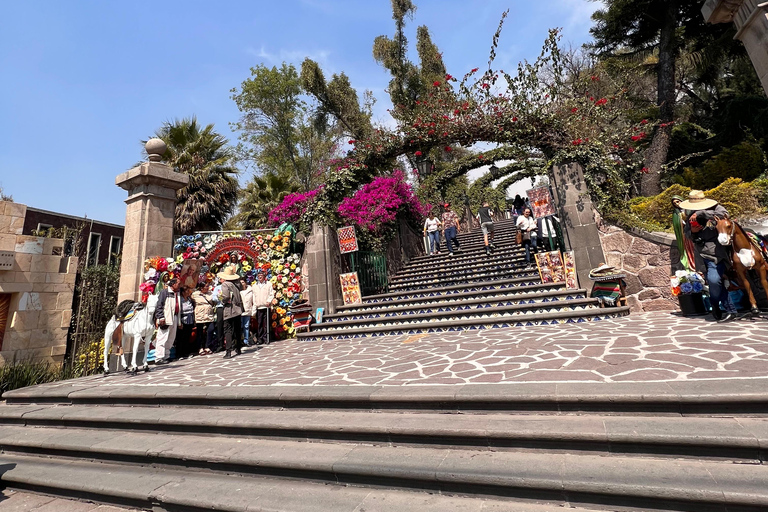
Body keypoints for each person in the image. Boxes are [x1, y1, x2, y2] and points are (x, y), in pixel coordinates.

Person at [681, 190, 737, 321]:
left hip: (715, 253)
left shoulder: (716, 208)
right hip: (700, 255)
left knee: (713, 280)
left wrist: (701, 213)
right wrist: (693, 232)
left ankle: (717, 304)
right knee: (714, 284)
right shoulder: (689, 214)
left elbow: (724, 215)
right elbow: (687, 233)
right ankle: (727, 308)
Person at [218, 264, 245, 358]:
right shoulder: (237, 284)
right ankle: (238, 347)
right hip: (238, 309)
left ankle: (228, 351)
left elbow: (226, 297)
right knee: (237, 329)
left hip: (230, 309)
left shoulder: (225, 284)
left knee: (228, 330)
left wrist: (221, 300)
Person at [153, 277, 180, 365]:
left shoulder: (177, 293)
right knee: (162, 337)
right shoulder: (164, 292)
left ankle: (166, 356)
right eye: (178, 283)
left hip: (174, 317)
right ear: (173, 284)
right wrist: (161, 317)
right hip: (166, 318)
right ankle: (159, 357)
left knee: (171, 337)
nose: (179, 285)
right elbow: (159, 305)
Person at [671, 195, 696, 272]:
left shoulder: (690, 209)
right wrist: (680, 223)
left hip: (694, 233)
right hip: (685, 235)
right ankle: (690, 267)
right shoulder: (676, 213)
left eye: (678, 202)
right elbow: (676, 224)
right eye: (674, 203)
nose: (677, 204)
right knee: (688, 251)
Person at [251, 271, 275, 345]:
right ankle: (260, 338)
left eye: (261, 275)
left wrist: (269, 301)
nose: (260, 277)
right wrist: (255, 305)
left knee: (266, 323)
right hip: (259, 307)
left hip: (266, 306)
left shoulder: (268, 284)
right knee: (260, 323)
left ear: (264, 276)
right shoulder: (254, 286)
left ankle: (266, 338)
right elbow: (254, 296)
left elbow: (271, 294)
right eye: (259, 276)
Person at [192, 282, 216, 355]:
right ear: (201, 287)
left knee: (211, 329)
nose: (207, 287)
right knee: (200, 332)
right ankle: (200, 347)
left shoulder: (210, 294)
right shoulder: (195, 294)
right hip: (200, 314)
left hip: (209, 314)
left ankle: (207, 346)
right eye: (206, 286)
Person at [175, 286, 196, 359]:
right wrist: (179, 322)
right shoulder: (180, 300)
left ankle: (186, 352)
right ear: (183, 292)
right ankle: (179, 354)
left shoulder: (189, 299)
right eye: (187, 291)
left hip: (190, 319)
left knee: (187, 337)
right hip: (183, 319)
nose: (188, 292)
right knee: (181, 337)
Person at [211, 278, 225, 352]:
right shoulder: (217, 288)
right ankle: (220, 344)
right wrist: (219, 298)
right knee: (219, 325)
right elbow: (213, 298)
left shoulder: (230, 286)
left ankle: (231, 343)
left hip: (228, 307)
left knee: (229, 325)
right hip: (220, 307)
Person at [240, 278, 254, 346]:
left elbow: (253, 301)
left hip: (248, 310)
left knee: (246, 326)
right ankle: (240, 341)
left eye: (243, 282)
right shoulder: (238, 291)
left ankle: (246, 340)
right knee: (240, 326)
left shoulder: (250, 290)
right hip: (240, 311)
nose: (242, 284)